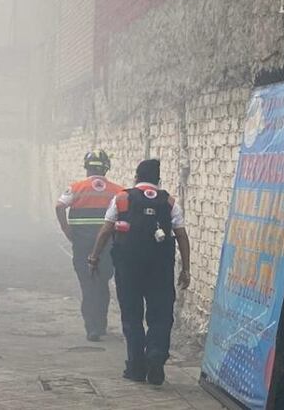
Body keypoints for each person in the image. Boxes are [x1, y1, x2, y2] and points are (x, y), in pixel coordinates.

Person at [87, 159, 191, 386]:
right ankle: (155, 356)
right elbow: (182, 236)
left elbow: (106, 230)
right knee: (161, 315)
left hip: (128, 268)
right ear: (158, 180)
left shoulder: (122, 198)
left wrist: (94, 257)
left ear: (136, 177)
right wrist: (186, 269)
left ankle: (136, 367)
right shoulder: (170, 202)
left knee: (132, 315)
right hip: (161, 270)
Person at [55, 149, 125, 341]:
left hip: (82, 246)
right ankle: (100, 325)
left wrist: (67, 230)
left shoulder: (76, 187)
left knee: (88, 285)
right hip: (107, 247)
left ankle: (92, 327)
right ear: (106, 168)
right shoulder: (117, 191)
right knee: (102, 284)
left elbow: (60, 206)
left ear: (86, 168)